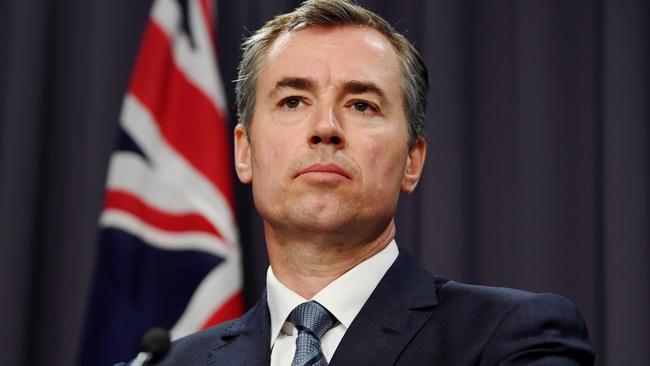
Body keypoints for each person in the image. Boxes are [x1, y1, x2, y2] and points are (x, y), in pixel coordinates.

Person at [125, 0, 594, 364]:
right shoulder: (168, 362)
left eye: (362, 105)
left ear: (413, 160)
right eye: (292, 101)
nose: (324, 126)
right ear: (244, 152)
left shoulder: (513, 337)